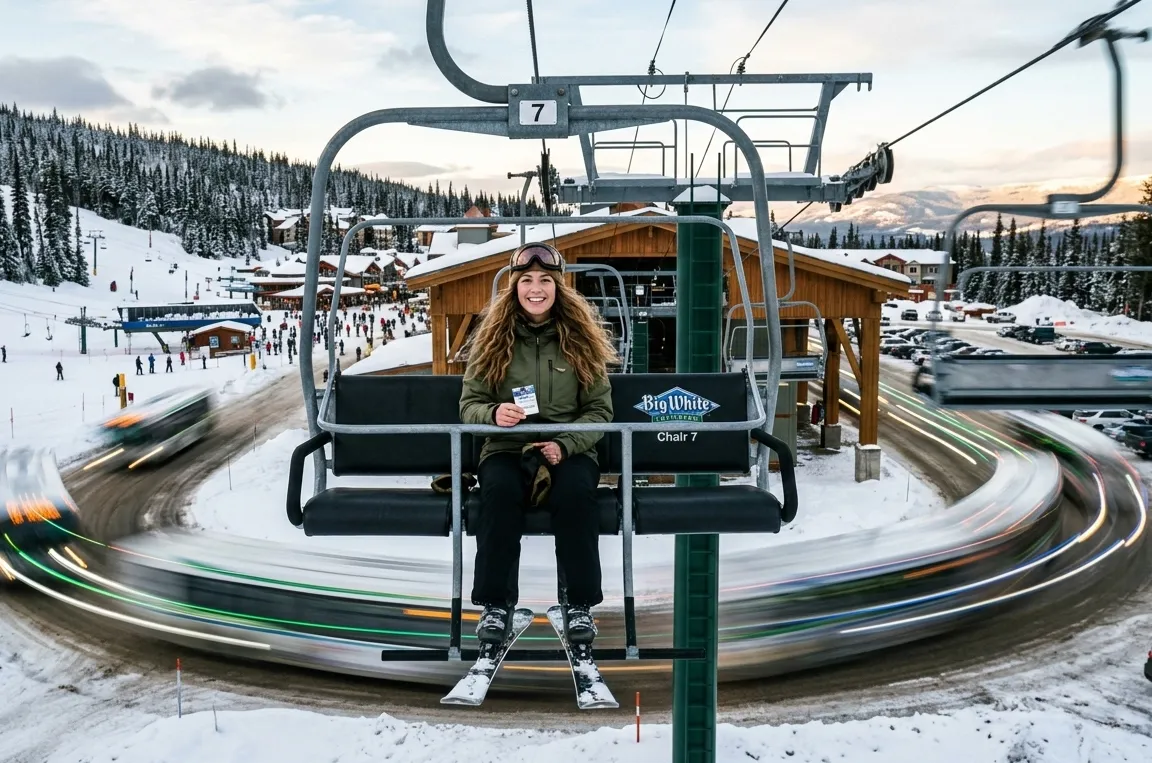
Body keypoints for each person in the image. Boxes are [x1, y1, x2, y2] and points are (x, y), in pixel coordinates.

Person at [459, 242, 616, 646]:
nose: (536, 288)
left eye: (545, 280)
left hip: (569, 448)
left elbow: (599, 410)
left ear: (559, 287)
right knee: (497, 491)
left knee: (578, 494)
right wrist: (495, 415)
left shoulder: (580, 341)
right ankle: (495, 605)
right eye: (526, 280)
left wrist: (565, 443)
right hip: (507, 447)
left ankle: (578, 603)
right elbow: (470, 405)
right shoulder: (493, 341)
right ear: (513, 288)